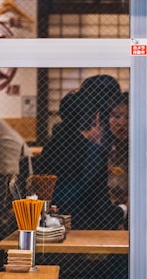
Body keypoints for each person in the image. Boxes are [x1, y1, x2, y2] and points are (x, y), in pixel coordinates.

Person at [35, 75, 125, 230]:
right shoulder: (91, 152)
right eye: (111, 114)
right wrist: (124, 209)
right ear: (97, 117)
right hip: (78, 229)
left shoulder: (56, 143)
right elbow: (99, 213)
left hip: (48, 226)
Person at [106, 92, 129, 207]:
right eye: (116, 116)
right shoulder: (101, 148)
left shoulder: (139, 149)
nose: (122, 123)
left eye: (128, 117)